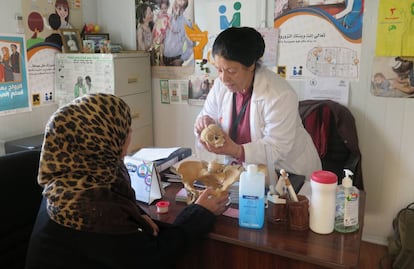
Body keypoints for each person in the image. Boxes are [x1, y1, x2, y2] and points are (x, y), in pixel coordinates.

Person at [25, 93, 230, 269]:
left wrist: (137, 217)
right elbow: (155, 258)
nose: (130, 133)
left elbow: (116, 209)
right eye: (123, 130)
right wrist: (200, 212)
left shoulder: (73, 178)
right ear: (101, 142)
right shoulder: (88, 210)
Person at [194, 27, 321, 180]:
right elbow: (208, 113)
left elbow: (277, 147)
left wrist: (236, 150)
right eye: (219, 70)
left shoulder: (279, 94)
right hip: (246, 171)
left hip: (287, 172)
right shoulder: (221, 85)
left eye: (231, 71)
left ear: (251, 66)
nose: (223, 78)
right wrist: (204, 123)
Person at [162, 0, 193, 66]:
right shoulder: (166, 18)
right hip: (163, 59)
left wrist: (181, 59)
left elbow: (190, 46)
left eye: (179, 6)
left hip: (176, 60)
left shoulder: (187, 24)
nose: (176, 8)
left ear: (183, 9)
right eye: (175, 5)